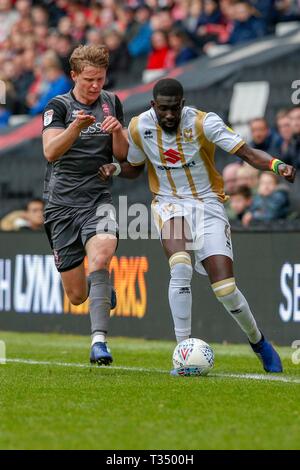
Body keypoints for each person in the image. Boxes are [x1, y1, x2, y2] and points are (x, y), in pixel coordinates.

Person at [99, 78, 296, 375]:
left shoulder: (205, 122)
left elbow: (246, 153)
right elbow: (136, 166)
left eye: (174, 109)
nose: (169, 115)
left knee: (226, 289)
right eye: (163, 109)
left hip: (208, 205)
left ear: (182, 104)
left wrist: (277, 166)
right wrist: (115, 168)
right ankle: (183, 351)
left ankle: (259, 343)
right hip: (168, 203)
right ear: (154, 105)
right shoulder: (140, 126)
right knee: (180, 265)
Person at [42, 44, 128, 366]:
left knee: (102, 256)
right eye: (89, 79)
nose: (95, 86)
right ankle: (100, 290)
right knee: (78, 295)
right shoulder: (58, 106)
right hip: (61, 205)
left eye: (101, 79)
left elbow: (121, 155)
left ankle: (99, 343)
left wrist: (118, 132)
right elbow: (50, 152)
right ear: (74, 75)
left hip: (97, 198)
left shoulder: (112, 103)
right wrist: (75, 129)